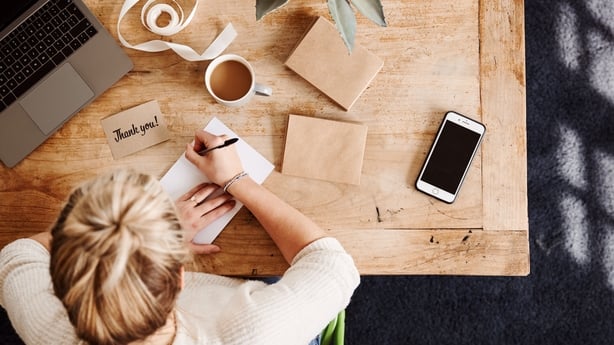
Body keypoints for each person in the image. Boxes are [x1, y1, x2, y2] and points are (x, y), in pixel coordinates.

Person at [0, 130, 360, 345]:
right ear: (178, 276)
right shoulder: (254, 332)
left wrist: (144, 240)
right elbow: (334, 266)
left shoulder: (49, 331)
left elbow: (16, 256)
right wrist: (237, 180)